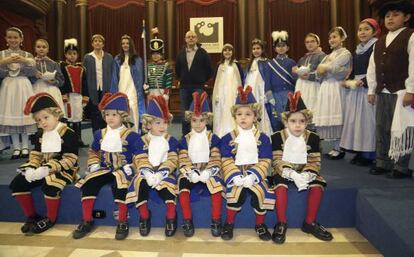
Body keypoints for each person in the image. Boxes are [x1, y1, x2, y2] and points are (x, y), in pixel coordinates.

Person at [73, 92, 141, 240]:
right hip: (104, 168)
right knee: (88, 183)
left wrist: (133, 167)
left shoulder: (132, 135)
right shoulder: (100, 134)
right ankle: (86, 220)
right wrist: (93, 164)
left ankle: (123, 221)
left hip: (123, 170)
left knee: (121, 187)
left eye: (114, 115)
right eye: (107, 114)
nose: (110, 118)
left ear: (122, 116)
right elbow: (94, 151)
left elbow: (140, 155)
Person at [9, 92, 79, 234]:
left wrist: (48, 169)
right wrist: (31, 168)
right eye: (39, 120)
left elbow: (70, 160)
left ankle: (50, 218)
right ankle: (32, 216)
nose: (43, 123)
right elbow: (36, 154)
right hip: (43, 168)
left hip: (64, 170)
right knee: (18, 183)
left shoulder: (68, 133)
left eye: (46, 117)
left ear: (57, 114)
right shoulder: (40, 134)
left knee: (50, 184)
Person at [270, 91, 333, 244]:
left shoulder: (313, 137)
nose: (297, 125)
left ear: (307, 122)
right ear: (286, 122)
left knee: (317, 185)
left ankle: (309, 222)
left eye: (302, 121)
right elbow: (277, 160)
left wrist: (306, 175)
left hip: (306, 171)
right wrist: (292, 174)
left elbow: (314, 161)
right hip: (284, 171)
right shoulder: (277, 137)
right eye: (293, 121)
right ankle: (281, 222)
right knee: (279, 185)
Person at [367, 0, 414, 178]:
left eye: (395, 15)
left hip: (401, 91)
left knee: (401, 129)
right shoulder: (379, 42)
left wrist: (411, 90)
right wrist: (372, 90)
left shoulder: (410, 36)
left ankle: (400, 166)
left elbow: (413, 65)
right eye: (387, 16)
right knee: (382, 127)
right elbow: (372, 68)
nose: (390, 19)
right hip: (383, 92)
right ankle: (383, 161)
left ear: (406, 17)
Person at [220, 86, 274, 241]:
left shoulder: (263, 138)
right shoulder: (227, 138)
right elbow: (226, 159)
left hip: (255, 175)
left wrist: (253, 176)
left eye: (248, 114)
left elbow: (265, 159)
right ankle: (229, 223)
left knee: (261, 194)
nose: (243, 118)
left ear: (255, 116)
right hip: (235, 175)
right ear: (234, 116)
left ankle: (260, 225)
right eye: (239, 114)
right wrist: (235, 176)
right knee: (235, 194)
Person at [126, 96, 179, 237]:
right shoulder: (141, 140)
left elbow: (173, 159)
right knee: (139, 184)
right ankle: (144, 216)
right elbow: (139, 157)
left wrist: (161, 173)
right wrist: (148, 173)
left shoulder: (171, 140)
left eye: (165, 123)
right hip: (145, 172)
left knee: (169, 190)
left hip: (166, 173)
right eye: (158, 123)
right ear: (148, 125)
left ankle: (171, 217)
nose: (162, 126)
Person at [178, 91, 223, 237]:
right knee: (183, 189)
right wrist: (190, 172)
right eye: (194, 120)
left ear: (207, 121)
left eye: (201, 120)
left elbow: (216, 156)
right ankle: (187, 220)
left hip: (209, 172)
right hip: (191, 172)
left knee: (216, 189)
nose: (198, 124)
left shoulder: (213, 138)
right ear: (189, 121)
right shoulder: (184, 139)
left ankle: (216, 220)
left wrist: (209, 172)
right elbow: (183, 158)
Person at [340, 19, 380, 166]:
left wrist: (363, 81)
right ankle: (359, 151)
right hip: (356, 88)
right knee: (356, 122)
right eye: (360, 29)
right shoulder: (358, 49)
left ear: (375, 31)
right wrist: (348, 80)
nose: (362, 32)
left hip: (368, 87)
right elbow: (354, 69)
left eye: (366, 29)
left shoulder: (377, 46)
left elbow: (377, 69)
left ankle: (370, 153)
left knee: (368, 121)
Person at [314, 27, 352, 160]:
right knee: (330, 116)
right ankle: (335, 146)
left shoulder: (345, 53)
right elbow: (319, 72)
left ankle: (340, 147)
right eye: (330, 38)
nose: (332, 40)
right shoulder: (328, 56)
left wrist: (325, 68)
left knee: (338, 116)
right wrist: (322, 69)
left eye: (335, 37)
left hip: (336, 86)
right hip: (326, 87)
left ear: (342, 38)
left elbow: (339, 70)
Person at [0, 27, 37, 159]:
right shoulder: (2, 54)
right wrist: (3, 63)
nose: (13, 40)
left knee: (24, 113)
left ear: (21, 39)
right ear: (6, 39)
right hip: (8, 87)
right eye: (10, 37)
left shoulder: (27, 55)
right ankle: (16, 148)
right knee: (12, 113)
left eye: (16, 37)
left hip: (23, 86)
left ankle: (25, 146)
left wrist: (25, 61)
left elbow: (33, 73)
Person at [175, 30, 213, 135]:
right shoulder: (180, 53)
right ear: (185, 39)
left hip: (198, 87)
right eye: (188, 37)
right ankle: (186, 135)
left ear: (196, 39)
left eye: (193, 36)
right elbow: (177, 70)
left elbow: (209, 69)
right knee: (185, 112)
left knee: (199, 112)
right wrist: (182, 78)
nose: (191, 38)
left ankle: (199, 134)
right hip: (184, 88)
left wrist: (201, 79)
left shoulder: (203, 52)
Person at [111, 35, 145, 133]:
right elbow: (114, 77)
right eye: (123, 43)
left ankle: (134, 133)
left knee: (133, 109)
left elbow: (140, 76)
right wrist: (114, 94)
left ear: (131, 45)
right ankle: (121, 134)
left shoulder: (137, 59)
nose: (125, 45)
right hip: (121, 89)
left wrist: (142, 88)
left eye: (127, 43)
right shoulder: (117, 59)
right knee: (122, 111)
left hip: (133, 90)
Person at [60, 38, 89, 147]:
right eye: (69, 53)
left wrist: (86, 96)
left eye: (74, 53)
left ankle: (78, 139)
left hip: (78, 96)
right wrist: (63, 94)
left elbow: (85, 83)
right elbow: (62, 82)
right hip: (68, 96)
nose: (72, 56)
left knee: (78, 117)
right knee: (67, 117)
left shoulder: (82, 68)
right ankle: (67, 139)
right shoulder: (62, 66)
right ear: (65, 55)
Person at [83, 34, 113, 133]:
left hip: (106, 89)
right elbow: (84, 75)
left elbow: (112, 74)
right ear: (92, 43)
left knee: (106, 112)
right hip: (92, 89)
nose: (97, 43)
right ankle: (96, 136)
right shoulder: (87, 57)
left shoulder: (109, 57)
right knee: (95, 113)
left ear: (103, 44)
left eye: (100, 41)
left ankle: (106, 135)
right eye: (95, 41)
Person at [267, 31, 297, 131]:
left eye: (283, 45)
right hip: (275, 94)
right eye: (278, 46)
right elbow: (267, 80)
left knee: (290, 118)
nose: (281, 48)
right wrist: (269, 95)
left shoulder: (292, 62)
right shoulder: (271, 63)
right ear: (275, 48)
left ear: (287, 48)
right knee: (276, 120)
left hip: (289, 93)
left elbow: (296, 80)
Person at [212, 43, 243, 138]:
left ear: (232, 52)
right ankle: (220, 133)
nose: (227, 52)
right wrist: (216, 93)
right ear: (222, 52)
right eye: (225, 50)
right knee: (221, 111)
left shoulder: (236, 65)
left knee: (231, 111)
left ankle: (233, 131)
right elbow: (215, 80)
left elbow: (240, 78)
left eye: (229, 50)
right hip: (221, 93)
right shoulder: (219, 65)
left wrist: (239, 92)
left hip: (233, 92)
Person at [244, 38, 273, 137]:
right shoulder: (249, 63)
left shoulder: (266, 62)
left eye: (258, 48)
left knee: (260, 111)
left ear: (262, 50)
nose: (256, 50)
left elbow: (268, 79)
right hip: (250, 91)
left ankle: (263, 134)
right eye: (254, 49)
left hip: (261, 91)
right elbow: (246, 79)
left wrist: (267, 94)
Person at [293, 33, 326, 114]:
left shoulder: (322, 56)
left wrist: (309, 77)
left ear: (318, 43)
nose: (309, 44)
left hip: (314, 87)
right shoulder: (303, 58)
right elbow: (295, 76)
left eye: (312, 41)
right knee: (302, 109)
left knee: (314, 109)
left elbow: (324, 74)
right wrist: (295, 71)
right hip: (302, 87)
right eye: (307, 42)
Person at [32, 39, 65, 116]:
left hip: (51, 89)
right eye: (38, 47)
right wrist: (35, 76)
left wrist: (54, 81)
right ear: (35, 49)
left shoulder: (53, 63)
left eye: (44, 47)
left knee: (52, 113)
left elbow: (61, 80)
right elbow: (28, 78)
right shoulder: (31, 62)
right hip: (37, 89)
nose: (41, 49)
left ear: (48, 50)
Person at [145, 28, 173, 101]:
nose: (155, 56)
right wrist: (146, 88)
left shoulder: (167, 66)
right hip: (151, 91)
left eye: (157, 53)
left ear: (161, 55)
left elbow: (168, 81)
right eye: (153, 54)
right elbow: (146, 79)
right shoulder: (148, 66)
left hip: (162, 91)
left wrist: (166, 93)